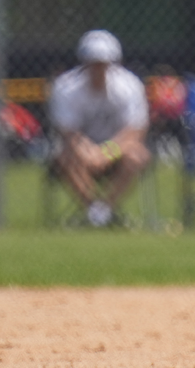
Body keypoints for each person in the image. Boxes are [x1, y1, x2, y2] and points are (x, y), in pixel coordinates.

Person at [48, 29, 150, 227]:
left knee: (137, 157)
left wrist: (106, 153)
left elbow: (135, 130)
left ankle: (105, 210)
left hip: (119, 149)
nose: (98, 70)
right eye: (93, 64)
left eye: (103, 64)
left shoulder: (129, 86)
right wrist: (89, 153)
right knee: (64, 158)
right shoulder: (65, 88)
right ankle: (95, 211)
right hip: (79, 150)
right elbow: (67, 131)